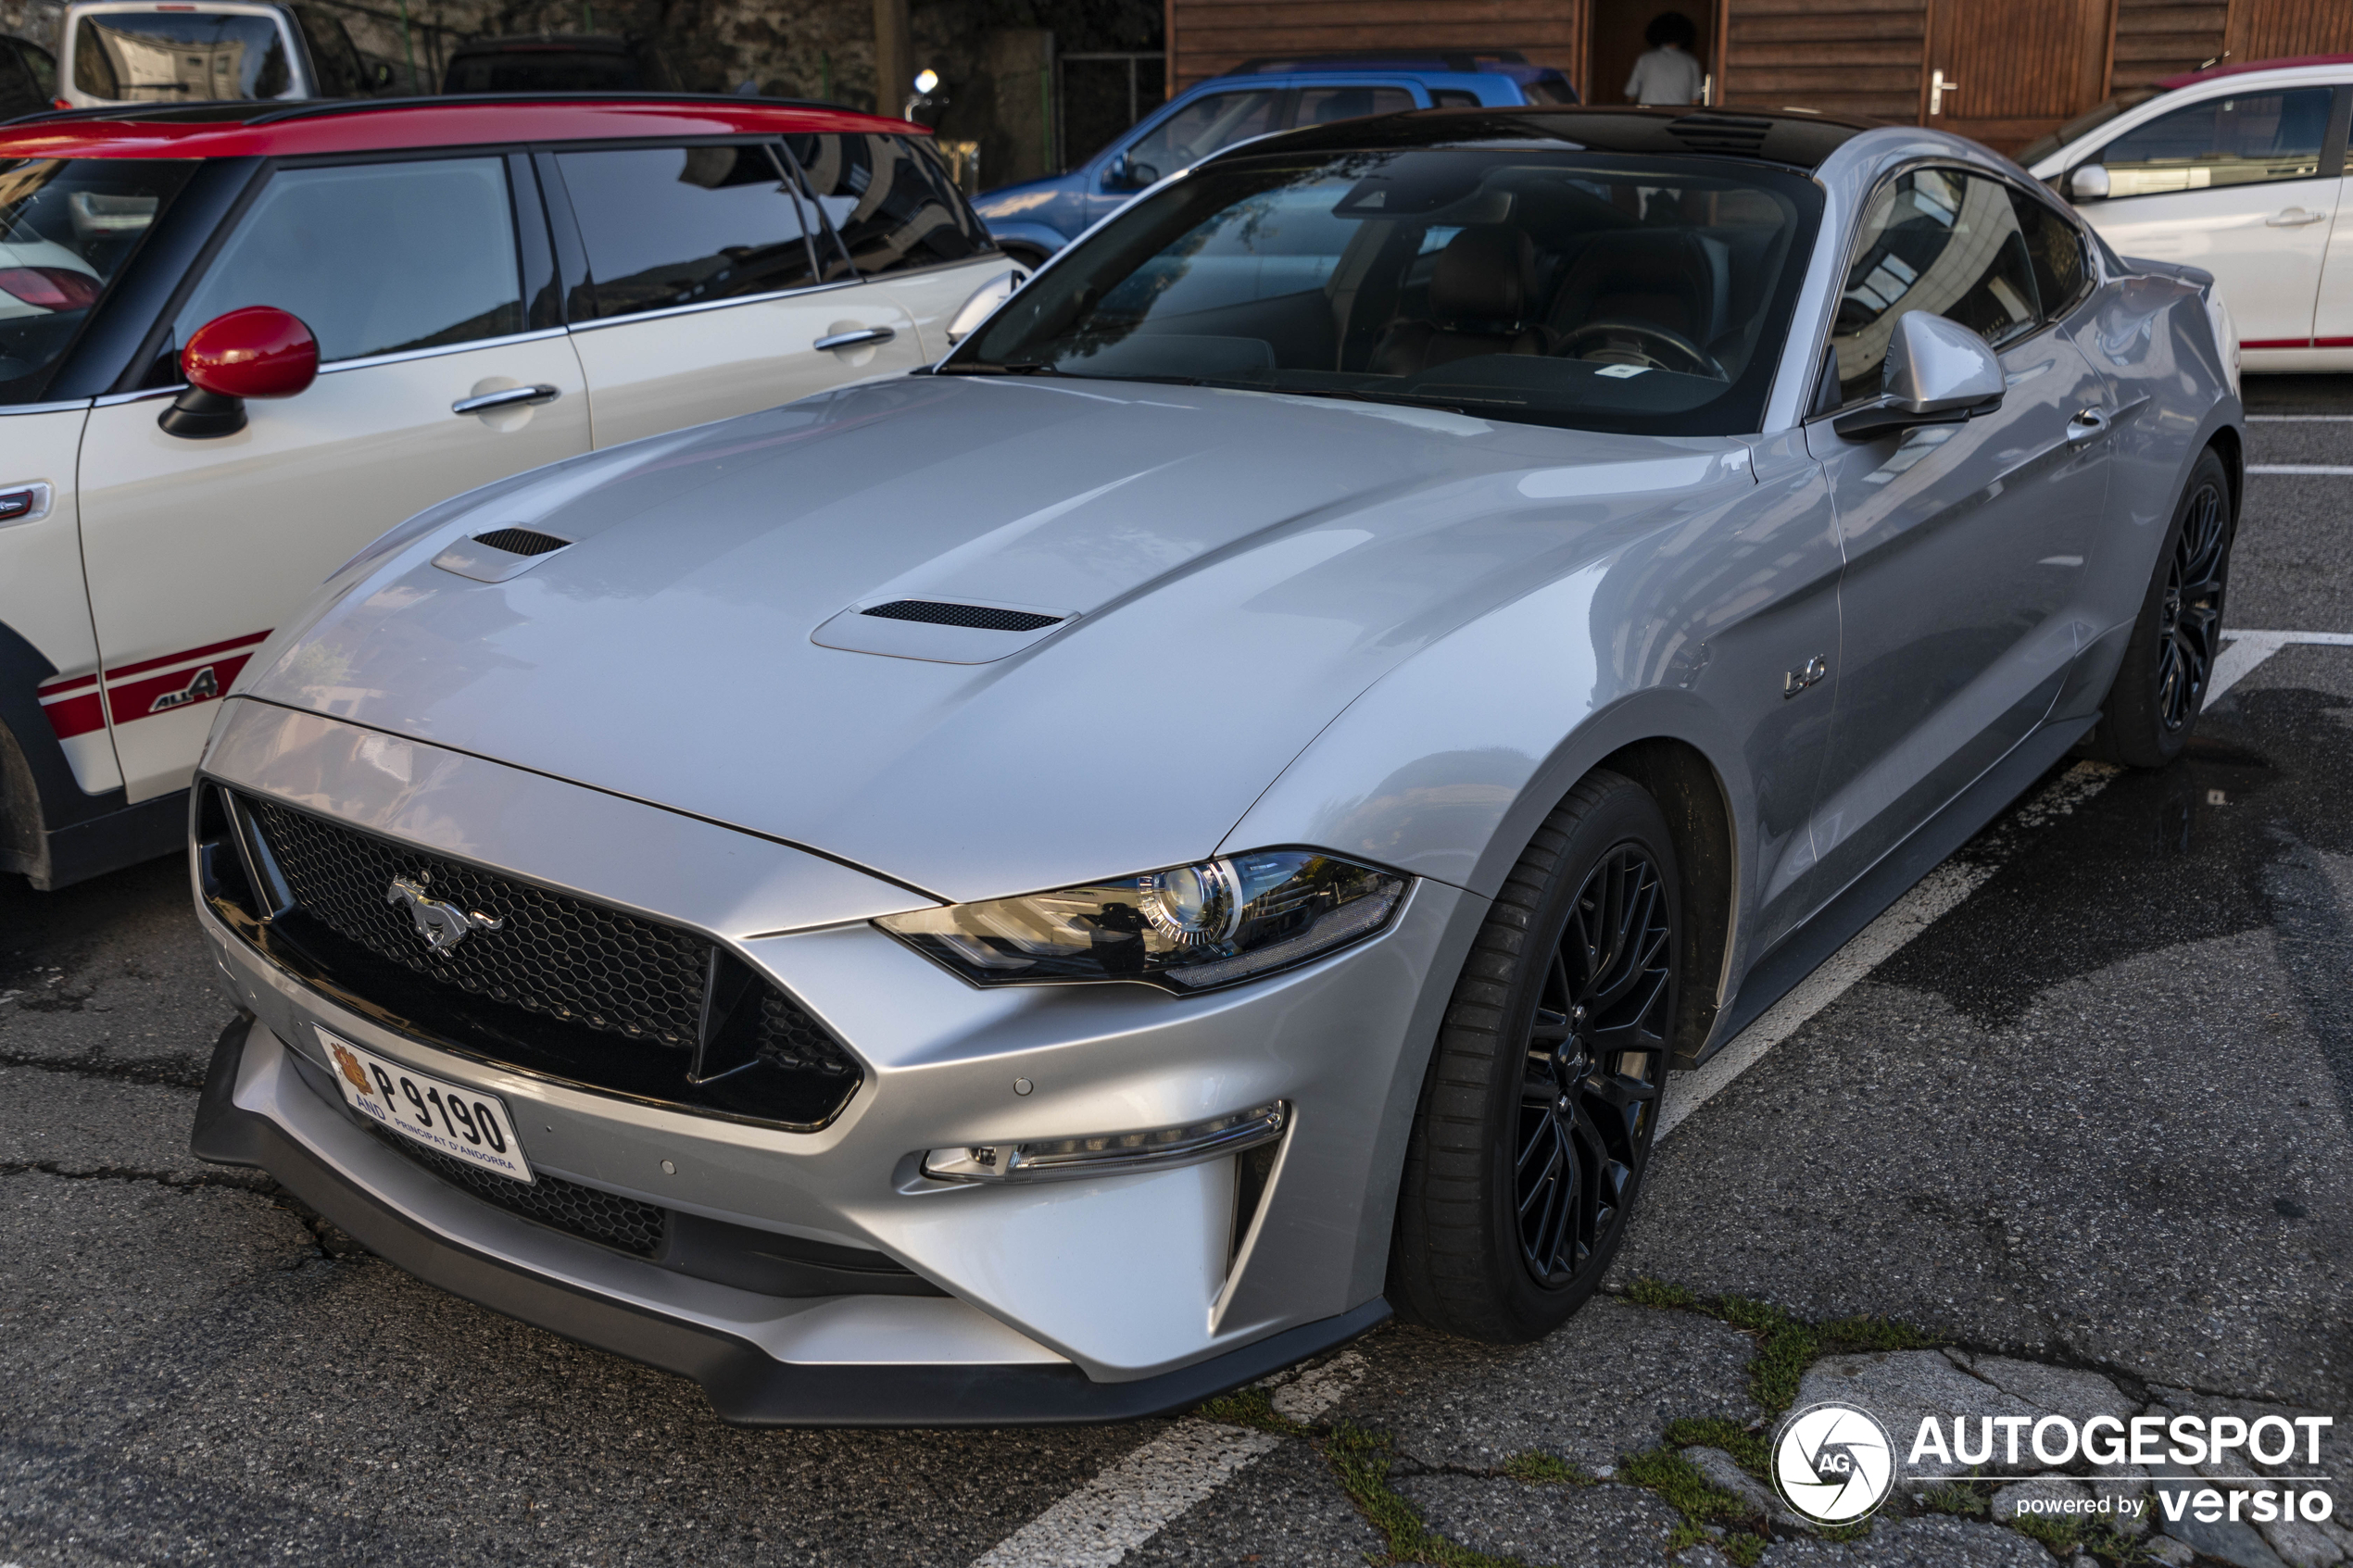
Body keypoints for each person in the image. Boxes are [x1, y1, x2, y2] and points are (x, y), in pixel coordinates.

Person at [1626, 11, 1705, 107]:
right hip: (1679, 116)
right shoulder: (1691, 61)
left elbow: (1631, 95)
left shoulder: (1645, 59)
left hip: (1649, 116)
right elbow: (1695, 99)